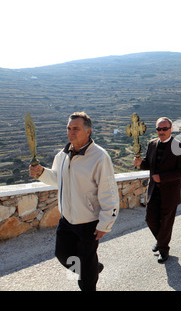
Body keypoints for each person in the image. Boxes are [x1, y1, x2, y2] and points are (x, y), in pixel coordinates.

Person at [29, 112, 120, 291]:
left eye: (76, 129)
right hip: (67, 220)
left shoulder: (99, 157)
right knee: (62, 254)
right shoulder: (62, 155)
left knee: (85, 276)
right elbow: (57, 178)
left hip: (89, 223)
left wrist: (105, 223)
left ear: (88, 131)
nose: (71, 132)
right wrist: (41, 173)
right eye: (69, 128)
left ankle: (89, 275)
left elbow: (109, 192)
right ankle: (92, 269)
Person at [134, 117, 181, 263]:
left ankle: (164, 250)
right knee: (150, 219)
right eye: (159, 129)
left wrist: (162, 177)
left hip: (170, 192)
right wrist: (140, 163)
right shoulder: (152, 144)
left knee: (166, 222)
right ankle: (161, 240)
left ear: (171, 129)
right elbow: (148, 164)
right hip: (153, 191)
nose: (161, 131)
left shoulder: (180, 146)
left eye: (164, 129)